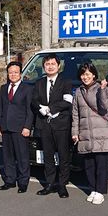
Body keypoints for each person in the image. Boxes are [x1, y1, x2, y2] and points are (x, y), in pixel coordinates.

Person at [72, 63, 108, 205]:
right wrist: (75, 132)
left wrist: (104, 89)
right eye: (83, 74)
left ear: (94, 75)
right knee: (89, 165)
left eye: (88, 74)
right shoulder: (78, 91)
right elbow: (75, 113)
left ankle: (100, 191)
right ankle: (93, 189)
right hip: (85, 133)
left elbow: (105, 106)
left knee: (101, 165)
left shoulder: (100, 88)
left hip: (101, 132)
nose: (85, 77)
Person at [31, 53, 73, 198]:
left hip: (61, 124)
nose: (50, 67)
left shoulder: (66, 82)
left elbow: (67, 101)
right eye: (47, 64)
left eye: (52, 64)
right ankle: (49, 184)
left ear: (58, 66)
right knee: (47, 156)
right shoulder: (39, 83)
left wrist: (50, 109)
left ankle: (62, 185)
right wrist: (40, 108)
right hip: (44, 125)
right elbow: (34, 100)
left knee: (63, 155)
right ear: (44, 67)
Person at [0, 61, 34, 193]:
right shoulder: (3, 88)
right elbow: (0, 107)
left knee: (22, 156)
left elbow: (30, 110)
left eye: (16, 72)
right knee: (7, 156)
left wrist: (27, 127)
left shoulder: (27, 89)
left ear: (20, 73)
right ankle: (10, 180)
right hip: (6, 126)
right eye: (10, 72)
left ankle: (23, 182)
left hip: (20, 128)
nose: (13, 74)